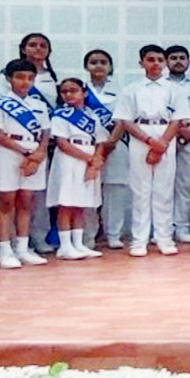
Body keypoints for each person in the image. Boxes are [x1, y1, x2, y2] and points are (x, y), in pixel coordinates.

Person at [112, 45, 190, 257]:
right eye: (150, 59)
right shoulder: (131, 90)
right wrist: (148, 141)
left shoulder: (175, 89)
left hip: (166, 135)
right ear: (142, 63)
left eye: (159, 59)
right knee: (140, 190)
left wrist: (162, 143)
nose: (155, 63)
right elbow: (126, 120)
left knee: (164, 190)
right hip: (140, 135)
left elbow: (178, 119)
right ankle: (139, 240)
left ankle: (164, 238)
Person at [0, 59, 51, 268]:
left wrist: (38, 154)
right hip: (9, 152)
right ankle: (5, 251)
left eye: (30, 78)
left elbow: (46, 132)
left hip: (34, 152)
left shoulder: (39, 105)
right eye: (20, 77)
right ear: (9, 79)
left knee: (26, 201)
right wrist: (24, 152)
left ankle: (23, 248)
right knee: (6, 200)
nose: (25, 82)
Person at [3, 34, 58, 255]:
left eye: (43, 45)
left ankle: (38, 237)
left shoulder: (52, 77)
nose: (38, 49)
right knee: (11, 197)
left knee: (37, 194)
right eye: (32, 45)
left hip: (43, 143)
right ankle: (10, 243)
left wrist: (45, 143)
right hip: (14, 144)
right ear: (23, 48)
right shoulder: (6, 75)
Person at [46, 78, 106, 260]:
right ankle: (65, 246)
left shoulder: (92, 115)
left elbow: (101, 141)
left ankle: (78, 244)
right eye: (64, 91)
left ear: (84, 92)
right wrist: (90, 159)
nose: (69, 94)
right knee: (66, 203)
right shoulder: (60, 115)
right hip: (69, 159)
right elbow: (62, 143)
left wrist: (95, 162)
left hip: (89, 156)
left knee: (80, 203)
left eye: (73, 90)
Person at [81, 49, 131, 251]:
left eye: (103, 62)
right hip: (88, 146)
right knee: (89, 189)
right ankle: (88, 235)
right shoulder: (80, 90)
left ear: (110, 67)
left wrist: (110, 142)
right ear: (86, 66)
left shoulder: (121, 91)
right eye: (93, 62)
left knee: (115, 189)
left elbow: (124, 118)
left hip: (116, 144)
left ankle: (113, 234)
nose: (98, 66)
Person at [164, 45, 190, 243]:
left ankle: (182, 227)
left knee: (184, 185)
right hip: (165, 137)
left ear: (188, 61)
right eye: (173, 58)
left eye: (182, 58)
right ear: (166, 62)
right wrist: (177, 131)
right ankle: (163, 229)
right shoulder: (161, 85)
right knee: (164, 184)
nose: (178, 61)